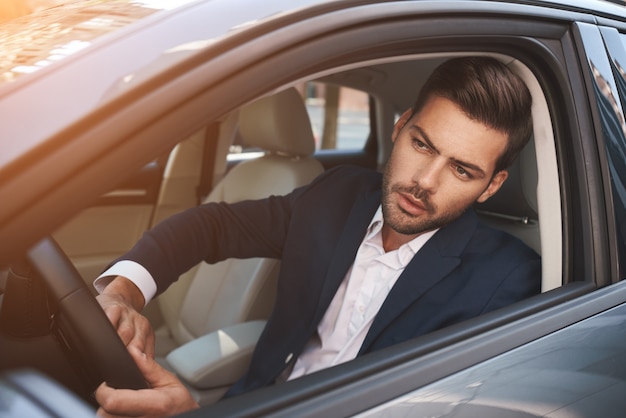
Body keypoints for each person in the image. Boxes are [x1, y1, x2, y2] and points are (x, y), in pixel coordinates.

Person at [94, 56, 541, 417]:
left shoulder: (505, 281)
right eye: (422, 144)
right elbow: (212, 227)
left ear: (492, 185)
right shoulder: (338, 194)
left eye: (462, 170)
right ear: (400, 127)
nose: (425, 180)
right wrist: (124, 292)